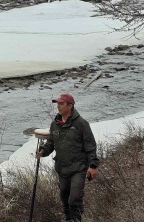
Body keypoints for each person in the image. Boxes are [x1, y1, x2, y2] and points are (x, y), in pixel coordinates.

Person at [36, 93, 99, 222]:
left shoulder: (81, 123)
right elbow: (51, 143)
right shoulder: (55, 124)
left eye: (61, 104)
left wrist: (93, 166)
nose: (58, 106)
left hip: (79, 168)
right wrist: (43, 151)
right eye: (57, 104)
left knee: (74, 199)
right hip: (62, 169)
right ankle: (69, 219)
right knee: (65, 199)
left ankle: (76, 220)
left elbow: (90, 146)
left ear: (70, 106)